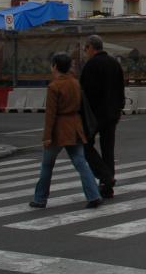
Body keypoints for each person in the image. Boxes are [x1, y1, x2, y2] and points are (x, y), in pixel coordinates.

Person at [29, 52, 102, 209]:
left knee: (47, 165)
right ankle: (94, 194)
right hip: (75, 126)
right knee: (81, 162)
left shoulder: (54, 86)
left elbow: (50, 114)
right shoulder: (75, 83)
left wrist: (46, 136)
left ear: (55, 66)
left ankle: (40, 198)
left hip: (59, 128)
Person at [81, 34, 126, 199]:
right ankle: (107, 187)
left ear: (92, 48)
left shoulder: (91, 65)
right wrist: (120, 108)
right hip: (112, 113)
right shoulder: (114, 63)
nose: (85, 52)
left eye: (86, 49)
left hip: (95, 115)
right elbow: (121, 87)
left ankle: (105, 176)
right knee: (108, 149)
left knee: (85, 145)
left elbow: (86, 92)